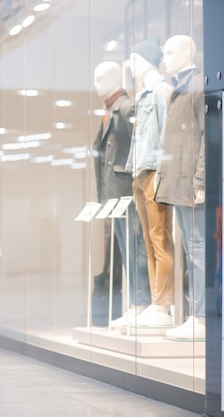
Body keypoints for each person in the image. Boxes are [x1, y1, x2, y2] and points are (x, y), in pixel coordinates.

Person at [91, 61, 150, 327]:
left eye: (101, 77)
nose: (96, 83)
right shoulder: (109, 110)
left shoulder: (126, 107)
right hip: (114, 194)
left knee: (134, 247)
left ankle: (141, 304)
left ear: (116, 78)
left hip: (126, 191)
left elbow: (140, 146)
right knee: (126, 250)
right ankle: (135, 305)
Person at [156, 35, 206, 339]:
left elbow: (209, 137)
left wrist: (201, 180)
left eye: (171, 51)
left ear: (189, 52)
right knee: (190, 250)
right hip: (177, 181)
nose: (166, 58)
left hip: (191, 183)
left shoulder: (198, 86)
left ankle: (201, 318)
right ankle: (195, 315)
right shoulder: (176, 90)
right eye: (163, 53)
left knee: (198, 250)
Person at [125, 36, 175, 327]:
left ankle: (164, 304)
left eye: (133, 60)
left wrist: (162, 176)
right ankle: (157, 302)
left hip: (155, 172)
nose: (130, 66)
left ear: (145, 60)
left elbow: (168, 138)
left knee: (160, 239)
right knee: (148, 240)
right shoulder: (143, 95)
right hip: (140, 172)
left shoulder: (161, 92)